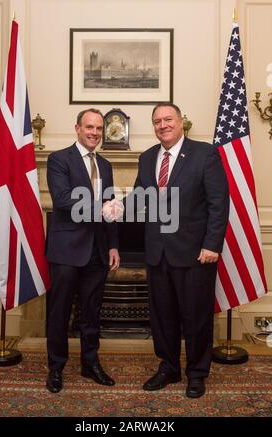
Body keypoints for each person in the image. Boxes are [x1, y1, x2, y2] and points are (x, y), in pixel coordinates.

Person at [103, 103, 229, 398]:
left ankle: (197, 373)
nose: (162, 125)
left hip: (195, 253)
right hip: (157, 252)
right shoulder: (148, 158)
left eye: (168, 119)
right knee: (162, 316)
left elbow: (218, 204)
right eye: (157, 121)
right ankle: (169, 367)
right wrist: (115, 209)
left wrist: (212, 245)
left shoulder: (205, 153)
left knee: (196, 317)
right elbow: (139, 197)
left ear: (181, 121)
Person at [46, 108, 119, 393]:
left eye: (99, 129)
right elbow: (63, 200)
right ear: (77, 128)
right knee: (60, 312)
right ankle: (56, 368)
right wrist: (100, 208)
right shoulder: (58, 159)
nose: (94, 133)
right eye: (89, 127)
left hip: (98, 251)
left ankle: (90, 364)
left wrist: (113, 244)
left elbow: (111, 208)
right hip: (66, 250)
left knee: (91, 312)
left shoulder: (106, 165)